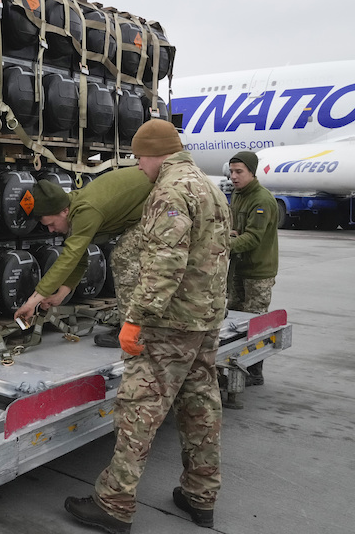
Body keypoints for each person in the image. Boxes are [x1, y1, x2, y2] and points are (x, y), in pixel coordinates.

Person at [63, 119, 232, 533]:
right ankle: (200, 495)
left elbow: (164, 264)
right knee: (201, 406)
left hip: (169, 323)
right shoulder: (210, 186)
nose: (139, 167)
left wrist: (135, 318)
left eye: (139, 158)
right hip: (204, 318)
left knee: (139, 410)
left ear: (156, 153)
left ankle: (114, 503)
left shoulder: (170, 190)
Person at [13, 168, 153, 346]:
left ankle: (133, 333)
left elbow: (69, 258)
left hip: (163, 200)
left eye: (51, 224)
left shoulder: (86, 211)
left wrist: (32, 302)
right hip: (147, 206)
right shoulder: (73, 210)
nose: (51, 230)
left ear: (64, 211)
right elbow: (79, 259)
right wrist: (59, 296)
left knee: (123, 257)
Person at [227, 150, 278, 387]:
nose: (234, 177)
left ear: (252, 172)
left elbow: (253, 237)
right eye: (232, 172)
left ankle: (255, 371)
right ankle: (236, 365)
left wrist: (224, 244)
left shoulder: (262, 199)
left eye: (239, 172)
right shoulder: (238, 195)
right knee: (234, 320)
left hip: (258, 272)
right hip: (239, 267)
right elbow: (238, 229)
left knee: (255, 324)